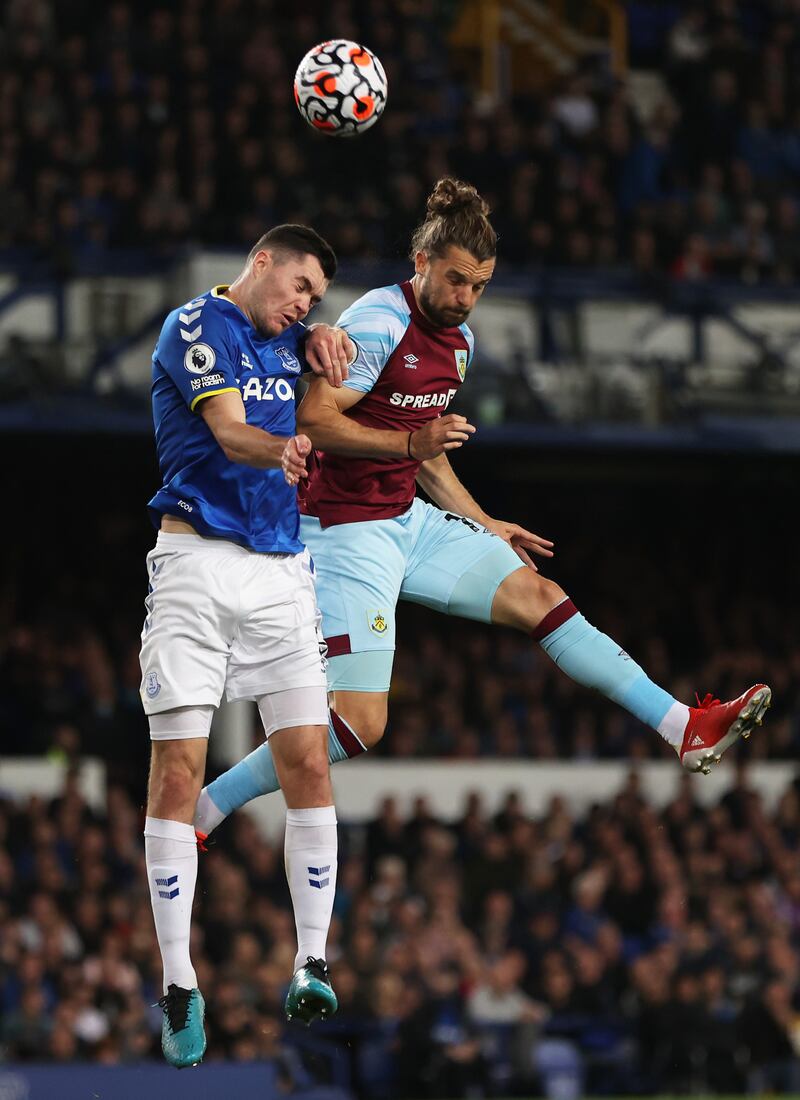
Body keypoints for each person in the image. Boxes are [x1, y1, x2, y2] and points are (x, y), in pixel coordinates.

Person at [193, 178, 771, 841]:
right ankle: (207, 807)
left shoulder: (458, 346)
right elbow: (313, 419)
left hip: (406, 518)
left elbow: (428, 454)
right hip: (341, 531)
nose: (466, 298)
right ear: (422, 263)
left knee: (539, 594)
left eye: (480, 286)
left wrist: (482, 520)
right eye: (457, 281)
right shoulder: (379, 322)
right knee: (359, 723)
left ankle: (684, 728)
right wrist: (412, 442)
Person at [140, 224, 349, 1067]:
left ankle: (311, 962)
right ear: (261, 262)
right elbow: (229, 430)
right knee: (178, 773)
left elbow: (317, 346)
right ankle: (179, 982)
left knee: (308, 759)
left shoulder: (297, 337)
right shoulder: (194, 327)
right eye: (299, 285)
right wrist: (286, 447)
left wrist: (321, 334)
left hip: (279, 574)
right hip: (195, 561)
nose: (304, 304)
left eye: (315, 298)